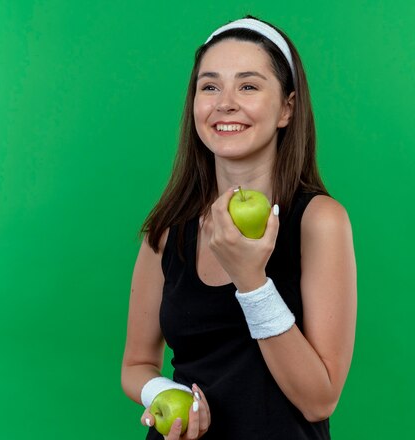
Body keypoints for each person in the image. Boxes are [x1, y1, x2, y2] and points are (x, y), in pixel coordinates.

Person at [121, 16, 357, 440]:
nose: (224, 103)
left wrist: (251, 280)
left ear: (287, 108)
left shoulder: (319, 221)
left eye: (248, 86)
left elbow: (319, 400)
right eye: (209, 86)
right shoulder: (167, 231)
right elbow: (136, 365)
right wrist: (168, 396)